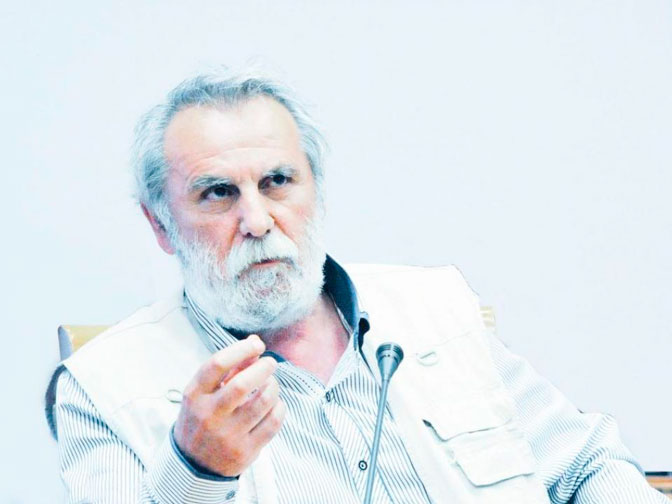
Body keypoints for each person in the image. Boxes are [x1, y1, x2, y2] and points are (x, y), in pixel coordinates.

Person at [45, 68, 666, 503]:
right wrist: (196, 472)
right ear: (161, 226)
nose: (257, 220)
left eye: (278, 181)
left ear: (314, 192)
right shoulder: (102, 387)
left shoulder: (434, 308)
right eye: (218, 193)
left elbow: (588, 466)